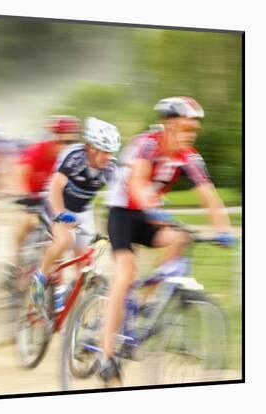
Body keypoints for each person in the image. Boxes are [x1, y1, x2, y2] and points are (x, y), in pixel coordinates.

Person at [98, 96, 235, 384]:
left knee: (181, 238)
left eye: (194, 129)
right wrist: (151, 208)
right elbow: (137, 181)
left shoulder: (190, 156)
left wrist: (224, 229)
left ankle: (148, 304)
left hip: (149, 215)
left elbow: (209, 194)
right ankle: (106, 355)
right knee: (125, 274)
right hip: (123, 212)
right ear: (170, 125)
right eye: (186, 128)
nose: (191, 134)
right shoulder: (148, 144)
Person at [30, 117, 121, 314]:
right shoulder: (74, 156)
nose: (108, 157)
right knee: (64, 240)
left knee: (84, 262)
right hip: (57, 202)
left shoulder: (111, 167)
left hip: (82, 210)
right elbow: (55, 188)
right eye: (104, 151)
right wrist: (62, 215)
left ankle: (77, 319)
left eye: (111, 152)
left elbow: (119, 200)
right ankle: (40, 278)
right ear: (90, 147)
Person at [11, 116, 82, 270]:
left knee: (61, 235)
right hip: (33, 196)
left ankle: (53, 276)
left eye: (72, 142)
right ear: (54, 138)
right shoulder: (38, 150)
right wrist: (23, 194)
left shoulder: (73, 158)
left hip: (52, 199)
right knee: (27, 222)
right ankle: (16, 262)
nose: (68, 147)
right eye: (64, 142)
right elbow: (20, 174)